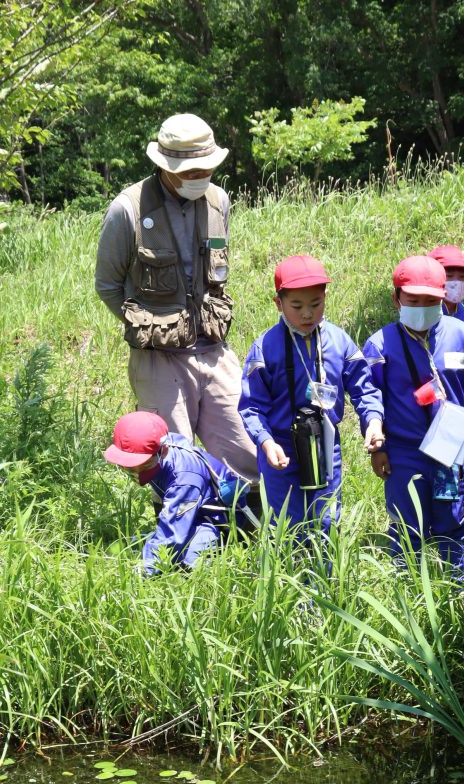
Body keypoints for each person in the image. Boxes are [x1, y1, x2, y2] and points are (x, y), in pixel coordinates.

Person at [95, 113, 258, 483]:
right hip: (158, 358)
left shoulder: (219, 201)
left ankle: (248, 529)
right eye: (190, 171)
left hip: (214, 350)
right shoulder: (128, 209)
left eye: (206, 169)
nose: (199, 177)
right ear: (165, 166)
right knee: (172, 459)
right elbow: (107, 284)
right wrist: (147, 327)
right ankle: (180, 534)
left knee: (246, 449)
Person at [363, 255, 464, 577]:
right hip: (404, 452)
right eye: (414, 300)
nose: (422, 307)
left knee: (452, 522)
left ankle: (457, 589)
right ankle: (407, 590)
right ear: (397, 299)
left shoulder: (461, 334)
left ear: (442, 298)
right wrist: (378, 443)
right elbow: (371, 395)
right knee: (407, 525)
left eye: (431, 300)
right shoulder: (381, 344)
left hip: (452, 448)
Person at [239, 255, 385, 538]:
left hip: (325, 444)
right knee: (285, 526)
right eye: (297, 306)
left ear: (325, 297)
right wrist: (266, 442)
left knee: (327, 521)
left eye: (315, 304)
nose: (307, 314)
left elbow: (364, 388)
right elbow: (252, 406)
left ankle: (326, 580)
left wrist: (374, 422)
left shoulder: (339, 342)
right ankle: (287, 580)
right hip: (281, 450)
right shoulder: (265, 349)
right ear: (278, 303)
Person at [103, 411, 251, 576]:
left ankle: (216, 548)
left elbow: (172, 534)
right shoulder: (157, 450)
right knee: (138, 546)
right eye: (128, 465)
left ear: (163, 451)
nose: (136, 470)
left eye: (143, 465)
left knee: (189, 561)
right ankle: (153, 544)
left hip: (215, 521)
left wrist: (141, 573)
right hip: (189, 511)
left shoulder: (185, 479)